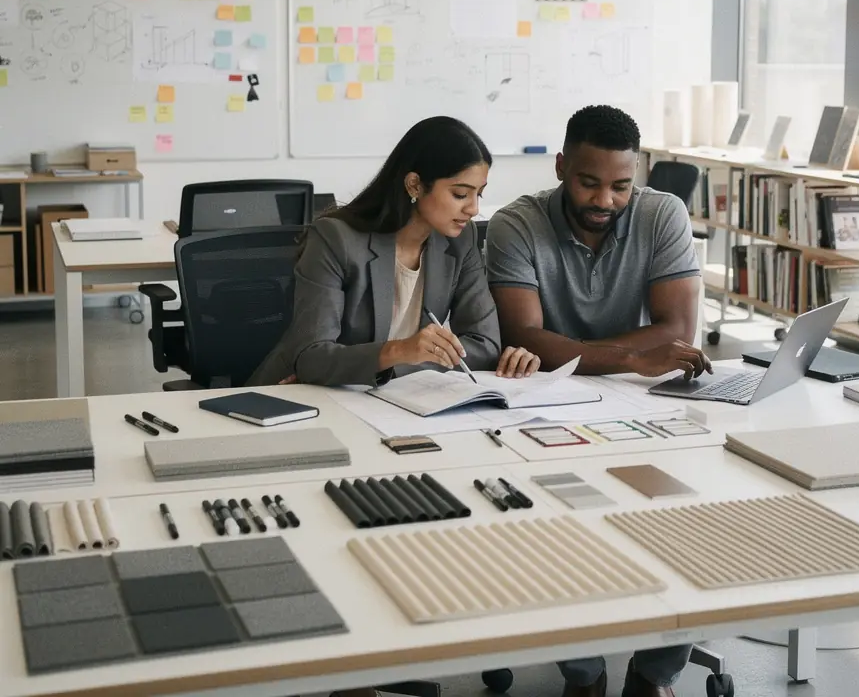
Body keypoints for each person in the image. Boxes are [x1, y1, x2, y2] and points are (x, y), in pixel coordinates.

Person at [485, 104, 710, 697]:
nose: (605, 200)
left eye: (620, 185)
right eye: (589, 182)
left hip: (645, 402)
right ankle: (582, 676)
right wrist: (632, 358)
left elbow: (677, 330)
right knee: (561, 535)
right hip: (548, 405)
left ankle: (654, 675)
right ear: (561, 166)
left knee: (682, 519)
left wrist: (577, 351)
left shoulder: (663, 214)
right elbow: (524, 337)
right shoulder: (515, 224)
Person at [249, 116, 539, 388]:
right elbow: (312, 359)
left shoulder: (460, 241)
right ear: (414, 184)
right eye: (460, 194)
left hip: (392, 399)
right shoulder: (335, 239)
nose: (473, 209)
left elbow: (484, 347)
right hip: (296, 398)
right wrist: (399, 351)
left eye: (480, 194)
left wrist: (396, 367)